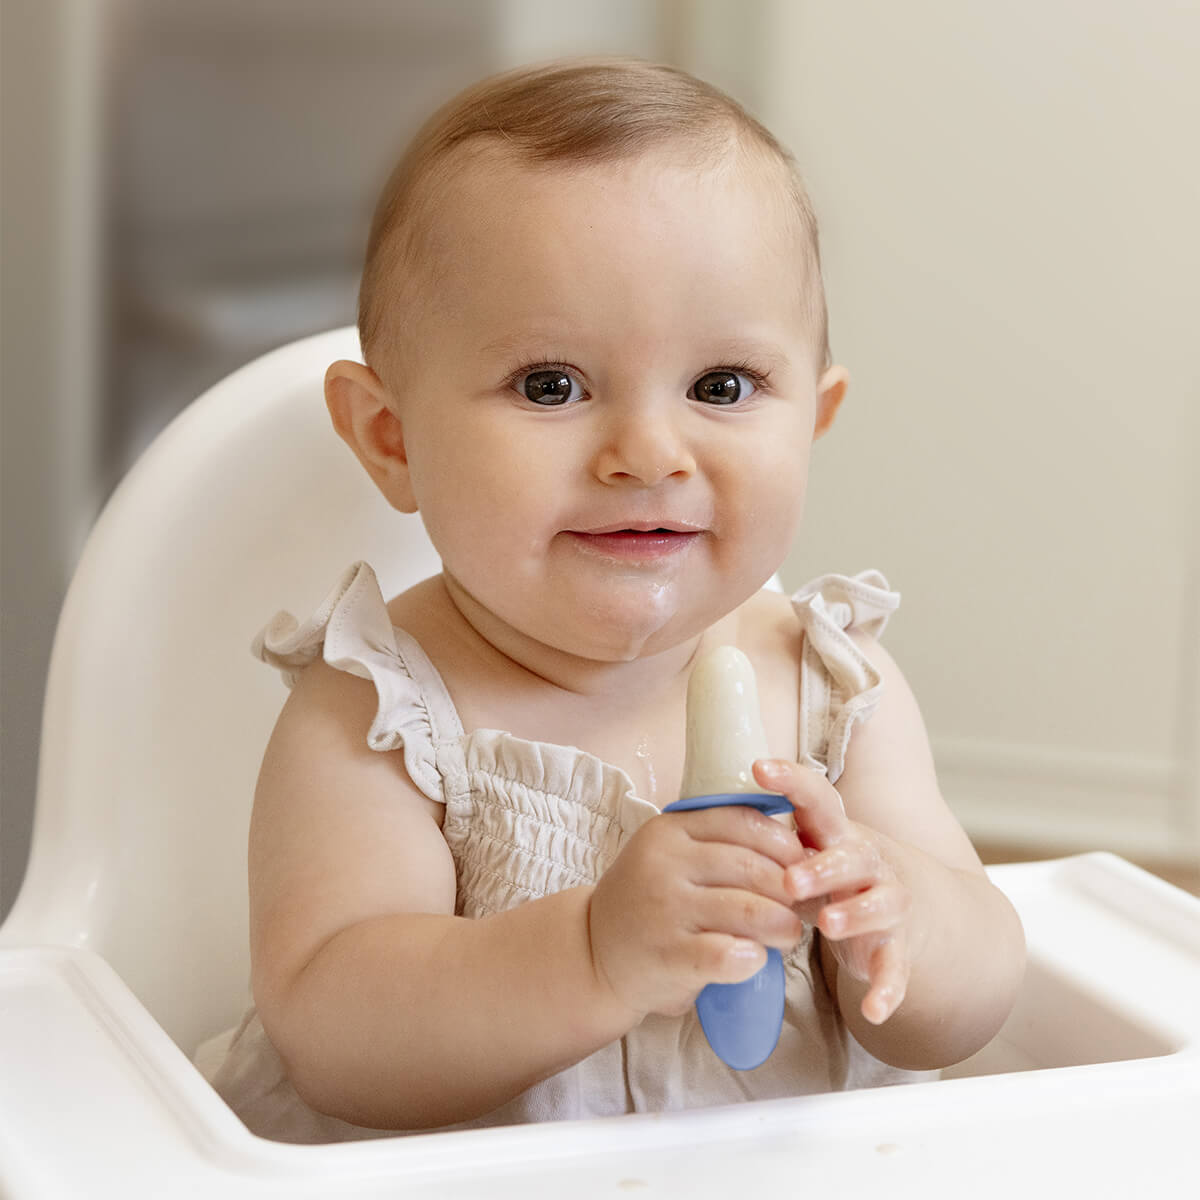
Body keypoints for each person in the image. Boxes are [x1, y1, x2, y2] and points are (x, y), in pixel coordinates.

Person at [196, 58, 1025, 1142]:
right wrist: (591, 952)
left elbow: (970, 1001)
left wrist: (905, 917)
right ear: (391, 439)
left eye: (722, 387)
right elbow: (338, 1030)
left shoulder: (836, 687)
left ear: (813, 421)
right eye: (552, 386)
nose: (647, 452)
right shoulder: (385, 710)